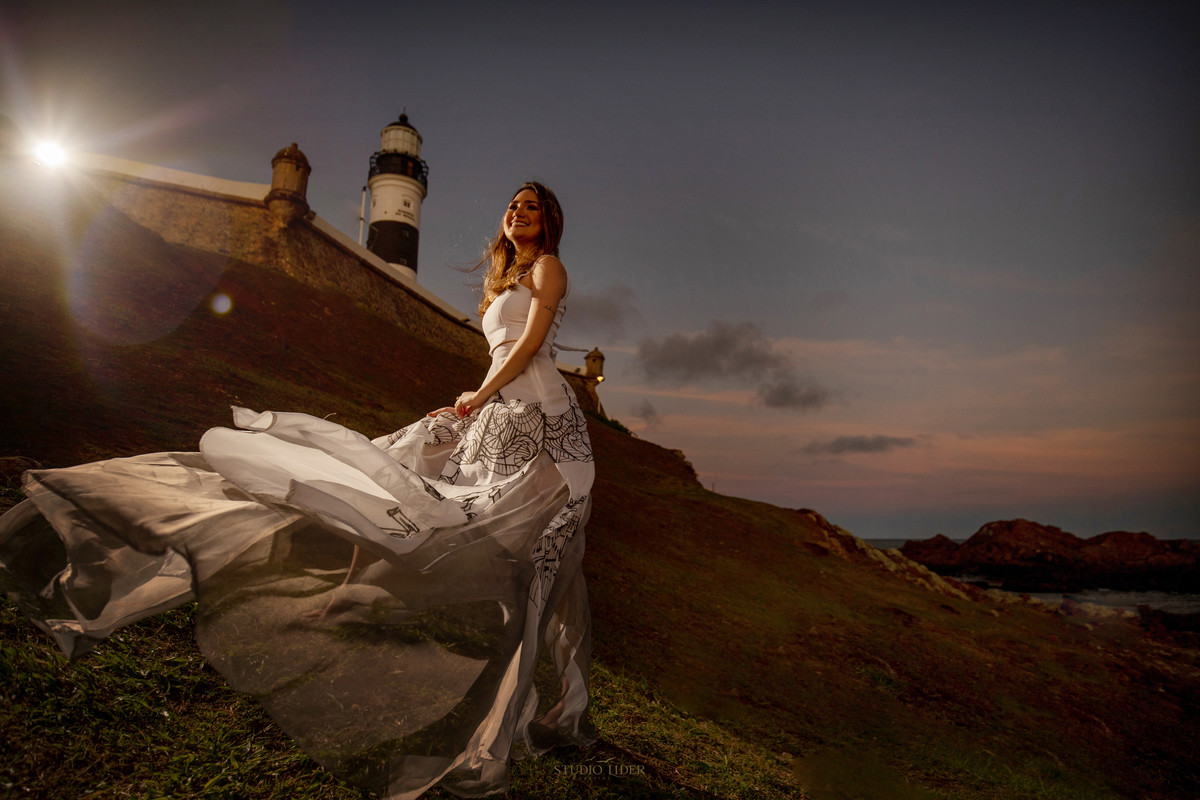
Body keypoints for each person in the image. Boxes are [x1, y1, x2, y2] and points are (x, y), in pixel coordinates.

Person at [0, 181, 596, 799]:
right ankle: (359, 602)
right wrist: (476, 403)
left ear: (548, 222)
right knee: (414, 495)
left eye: (531, 207)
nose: (517, 212)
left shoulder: (549, 267)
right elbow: (506, 347)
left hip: (545, 424)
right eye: (513, 204)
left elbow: (528, 349)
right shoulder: (505, 279)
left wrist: (478, 396)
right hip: (498, 414)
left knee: (538, 559)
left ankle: (510, 717)